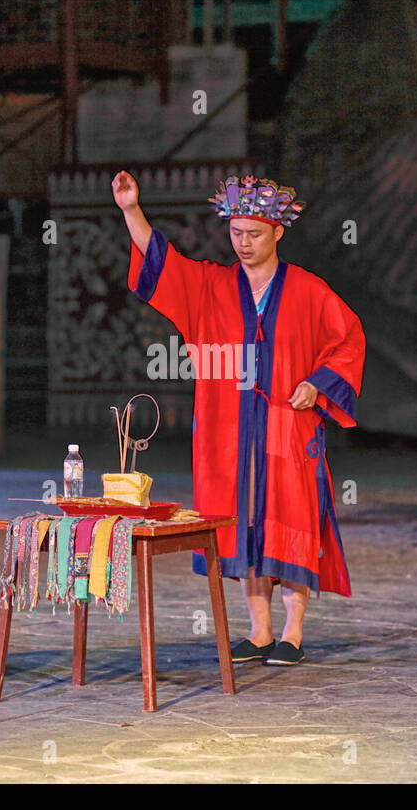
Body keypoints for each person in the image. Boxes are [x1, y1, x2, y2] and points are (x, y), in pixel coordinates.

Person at [113, 171, 365, 666]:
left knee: (291, 521)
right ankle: (261, 632)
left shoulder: (310, 291)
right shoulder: (211, 286)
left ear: (277, 233)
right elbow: (163, 265)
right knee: (245, 521)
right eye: (236, 233)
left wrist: (316, 385)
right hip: (228, 432)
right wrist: (130, 210)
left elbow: (348, 340)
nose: (244, 243)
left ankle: (292, 634)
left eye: (254, 234)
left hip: (288, 429)